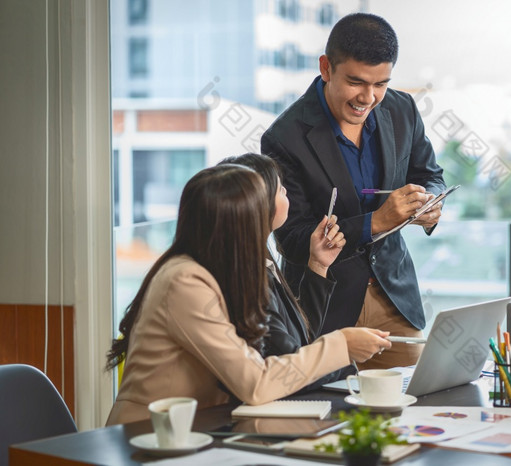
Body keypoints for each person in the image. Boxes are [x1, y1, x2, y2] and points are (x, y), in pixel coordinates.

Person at [105, 165, 390, 425]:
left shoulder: (216, 269)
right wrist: (341, 345)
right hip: (150, 435)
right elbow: (255, 382)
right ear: (242, 223)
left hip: (198, 427)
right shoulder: (185, 281)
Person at [261, 13, 445, 369]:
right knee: (329, 414)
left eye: (381, 84)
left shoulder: (402, 108)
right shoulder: (284, 137)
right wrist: (375, 222)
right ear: (326, 68)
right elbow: (292, 239)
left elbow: (429, 173)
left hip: (394, 297)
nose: (369, 97)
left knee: (414, 407)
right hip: (323, 304)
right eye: (356, 82)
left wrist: (430, 202)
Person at [217, 153, 354, 390]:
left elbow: (300, 335)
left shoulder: (259, 261)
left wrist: (318, 265)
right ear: (257, 202)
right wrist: (345, 359)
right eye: (280, 189)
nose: (287, 193)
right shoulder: (244, 277)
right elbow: (288, 363)